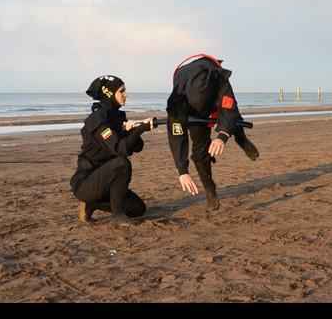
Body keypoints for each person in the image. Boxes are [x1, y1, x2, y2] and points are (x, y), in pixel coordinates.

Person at [166, 54, 259, 211]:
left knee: (232, 118)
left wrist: (222, 135)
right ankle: (210, 189)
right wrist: (182, 170)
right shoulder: (178, 98)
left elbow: (230, 109)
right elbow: (177, 135)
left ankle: (241, 137)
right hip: (193, 114)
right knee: (200, 152)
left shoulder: (218, 77)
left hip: (215, 95)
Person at [70, 75, 154, 224]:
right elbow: (120, 149)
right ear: (109, 93)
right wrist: (140, 129)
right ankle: (117, 216)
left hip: (107, 181)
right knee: (122, 163)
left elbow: (137, 147)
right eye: (121, 91)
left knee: (137, 209)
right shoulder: (98, 120)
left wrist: (131, 129)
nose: (125, 95)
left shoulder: (116, 117)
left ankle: (93, 204)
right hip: (86, 183)